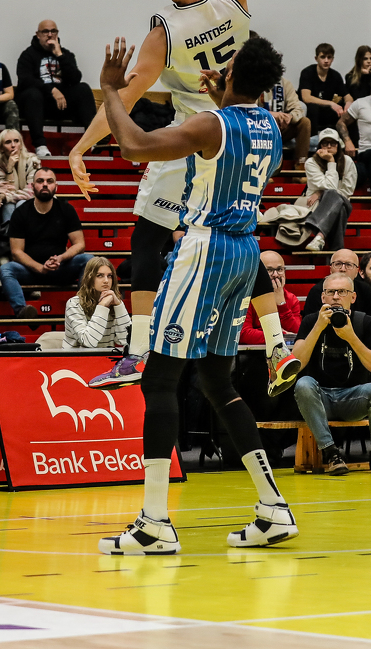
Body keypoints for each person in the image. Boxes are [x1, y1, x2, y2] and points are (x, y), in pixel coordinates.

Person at [67, 0, 298, 398]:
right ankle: (277, 344)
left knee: (147, 234)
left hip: (198, 136)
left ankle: (137, 351)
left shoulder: (162, 33)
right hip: (249, 130)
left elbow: (124, 100)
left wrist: (81, 147)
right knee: (239, 234)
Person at [92, 33, 301, 554]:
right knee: (215, 380)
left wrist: (111, 90)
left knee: (160, 379)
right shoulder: (271, 127)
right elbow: (234, 140)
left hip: (206, 250)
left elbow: (134, 146)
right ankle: (273, 507)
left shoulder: (212, 123)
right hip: (245, 252)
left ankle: (154, 524)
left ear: (231, 75)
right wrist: (221, 98)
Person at [291, 273, 371, 475]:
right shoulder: (310, 321)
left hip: (353, 398)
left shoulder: (365, 322)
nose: (336, 297)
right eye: (331, 292)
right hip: (320, 398)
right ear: (323, 297)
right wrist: (318, 327)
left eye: (342, 292)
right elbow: (296, 365)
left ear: (352, 297)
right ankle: (331, 453)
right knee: (303, 384)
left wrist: (351, 337)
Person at [0, 169, 90, 317]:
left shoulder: (66, 209)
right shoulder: (21, 212)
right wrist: (40, 268)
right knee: (6, 269)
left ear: (56, 186)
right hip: (31, 270)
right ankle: (22, 311)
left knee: (89, 260)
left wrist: (60, 258)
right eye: (40, 181)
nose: (45, 184)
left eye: (49, 181)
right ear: (32, 186)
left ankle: (83, 308)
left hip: (60, 268)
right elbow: (16, 252)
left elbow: (80, 244)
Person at [15, 20, 97, 151]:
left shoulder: (66, 54)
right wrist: (52, 90)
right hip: (38, 105)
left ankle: (93, 140)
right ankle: (40, 145)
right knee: (32, 94)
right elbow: (25, 80)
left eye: (53, 31)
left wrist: (60, 55)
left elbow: (75, 79)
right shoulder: (28, 55)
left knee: (83, 88)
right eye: (45, 31)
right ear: (38, 35)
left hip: (61, 104)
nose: (50, 35)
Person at [301, 129, 356, 252]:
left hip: (342, 201)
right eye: (325, 143)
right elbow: (331, 187)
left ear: (338, 145)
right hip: (316, 206)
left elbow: (347, 191)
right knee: (339, 207)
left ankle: (320, 236)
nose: (329, 146)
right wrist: (331, 162)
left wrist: (320, 193)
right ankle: (335, 250)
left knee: (334, 198)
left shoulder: (347, 161)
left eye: (333, 143)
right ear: (320, 146)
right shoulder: (311, 162)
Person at [300, 250, 371, 325]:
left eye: (348, 265)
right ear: (330, 269)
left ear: (356, 272)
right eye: (338, 264)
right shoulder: (317, 291)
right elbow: (308, 326)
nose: (343, 269)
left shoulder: (365, 290)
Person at [63, 256, 131, 350]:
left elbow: (126, 340)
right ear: (89, 278)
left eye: (109, 276)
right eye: (100, 276)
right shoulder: (74, 304)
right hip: (78, 357)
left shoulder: (113, 303)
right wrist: (102, 306)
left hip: (105, 357)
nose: (106, 281)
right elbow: (88, 342)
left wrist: (119, 305)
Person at [239, 252, 303, 346]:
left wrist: (281, 303)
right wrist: (281, 335)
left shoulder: (291, 299)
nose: (276, 274)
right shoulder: (246, 297)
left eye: (279, 269)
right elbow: (244, 334)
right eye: (269, 270)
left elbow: (297, 332)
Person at [260, 67, 309, 168]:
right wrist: (270, 114)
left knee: (305, 122)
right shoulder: (252, 83)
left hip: (282, 127)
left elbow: (298, 109)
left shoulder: (285, 84)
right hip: (260, 128)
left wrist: (290, 117)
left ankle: (300, 164)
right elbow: (248, 110)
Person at [0, 128, 41, 225]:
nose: (13, 145)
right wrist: (9, 169)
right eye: (8, 142)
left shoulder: (33, 161)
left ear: (21, 144)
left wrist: (4, 197)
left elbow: (31, 192)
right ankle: (9, 232)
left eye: (16, 141)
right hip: (11, 203)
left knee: (21, 203)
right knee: (8, 206)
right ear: (1, 148)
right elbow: (7, 190)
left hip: (33, 200)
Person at [298, 42, 350, 134]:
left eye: (329, 57)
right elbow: (306, 98)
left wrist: (348, 104)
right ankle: (313, 139)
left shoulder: (335, 75)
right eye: (323, 57)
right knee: (313, 108)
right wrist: (330, 103)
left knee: (346, 111)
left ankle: (344, 139)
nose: (326, 61)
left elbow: (347, 95)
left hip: (326, 110)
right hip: (310, 110)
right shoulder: (307, 72)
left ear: (332, 59)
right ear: (316, 58)